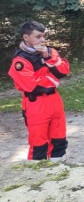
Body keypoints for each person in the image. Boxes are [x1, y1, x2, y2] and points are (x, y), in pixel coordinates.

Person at [8, 20, 71, 161]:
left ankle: (60, 171)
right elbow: (32, 86)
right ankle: (37, 176)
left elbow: (63, 71)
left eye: (43, 36)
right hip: (35, 103)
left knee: (59, 140)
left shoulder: (49, 51)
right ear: (26, 37)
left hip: (55, 101)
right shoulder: (20, 60)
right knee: (39, 144)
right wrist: (52, 78)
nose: (42, 39)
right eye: (38, 36)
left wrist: (47, 57)